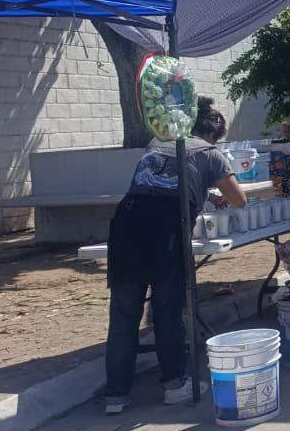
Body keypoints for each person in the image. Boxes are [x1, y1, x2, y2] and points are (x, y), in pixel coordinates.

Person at [103, 97, 246, 414]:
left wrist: (204, 192)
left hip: (126, 223)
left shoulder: (159, 141)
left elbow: (162, 183)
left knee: (123, 315)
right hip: (165, 228)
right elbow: (239, 199)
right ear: (213, 135)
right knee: (167, 309)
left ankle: (115, 395)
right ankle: (174, 385)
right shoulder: (210, 153)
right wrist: (214, 184)